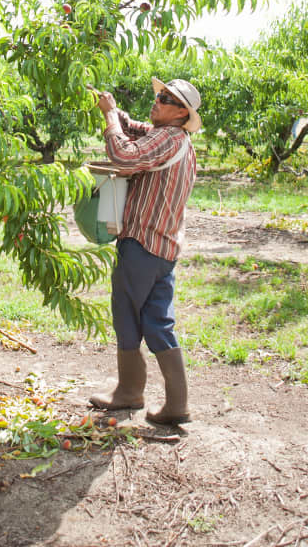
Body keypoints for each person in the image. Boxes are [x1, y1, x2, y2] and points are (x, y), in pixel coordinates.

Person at [89, 76, 201, 425]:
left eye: (167, 98)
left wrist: (109, 118)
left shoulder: (167, 138)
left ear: (182, 113)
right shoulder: (177, 139)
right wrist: (112, 108)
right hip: (164, 248)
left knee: (126, 314)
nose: (158, 100)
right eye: (159, 94)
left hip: (140, 244)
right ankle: (177, 404)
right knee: (158, 322)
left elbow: (123, 156)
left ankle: (129, 390)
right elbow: (135, 128)